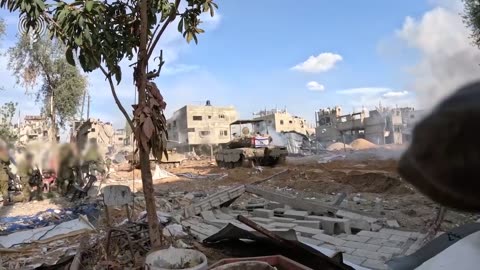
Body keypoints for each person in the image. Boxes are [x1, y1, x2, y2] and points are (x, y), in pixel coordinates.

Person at [0, 140, 11, 206]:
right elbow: (7, 160)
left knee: (2, 188)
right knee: (4, 188)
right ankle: (5, 201)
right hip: (2, 174)